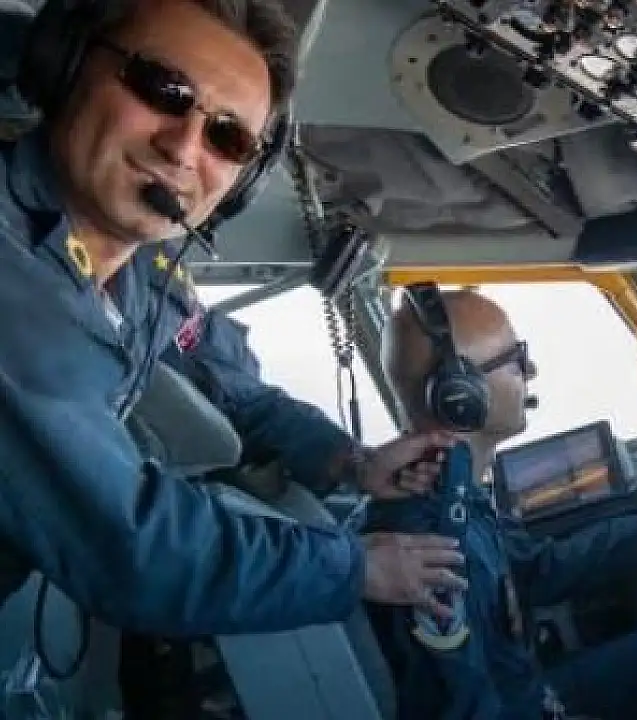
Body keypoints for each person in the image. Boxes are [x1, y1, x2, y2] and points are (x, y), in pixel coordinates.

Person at [0, 0, 460, 638]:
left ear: (243, 180)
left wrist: (349, 461)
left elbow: (231, 384)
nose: (183, 148)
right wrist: (355, 569)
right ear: (67, 64)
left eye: (228, 137)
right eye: (162, 90)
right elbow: (137, 555)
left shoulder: (146, 273)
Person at [368, 284, 637, 720]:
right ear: (461, 395)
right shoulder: (427, 545)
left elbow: (531, 570)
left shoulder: (454, 491)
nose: (531, 369)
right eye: (515, 359)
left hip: (525, 690)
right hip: (521, 708)